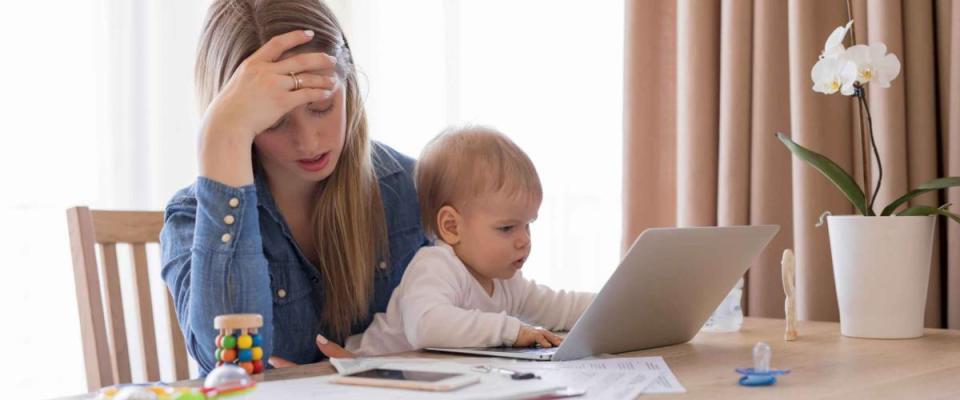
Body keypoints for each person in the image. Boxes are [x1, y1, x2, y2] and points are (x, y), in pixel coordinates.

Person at [160, 0, 427, 374]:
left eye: (321, 106)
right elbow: (231, 366)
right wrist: (219, 138)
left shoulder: (409, 188)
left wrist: (372, 372)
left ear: (348, 85)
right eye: (274, 122)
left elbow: (483, 331)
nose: (308, 141)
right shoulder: (190, 218)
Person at [344, 126, 596, 356]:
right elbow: (426, 326)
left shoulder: (505, 280)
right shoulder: (435, 266)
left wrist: (620, 307)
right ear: (452, 226)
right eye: (507, 227)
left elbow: (558, 307)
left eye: (528, 224)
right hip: (366, 375)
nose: (524, 241)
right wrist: (511, 330)